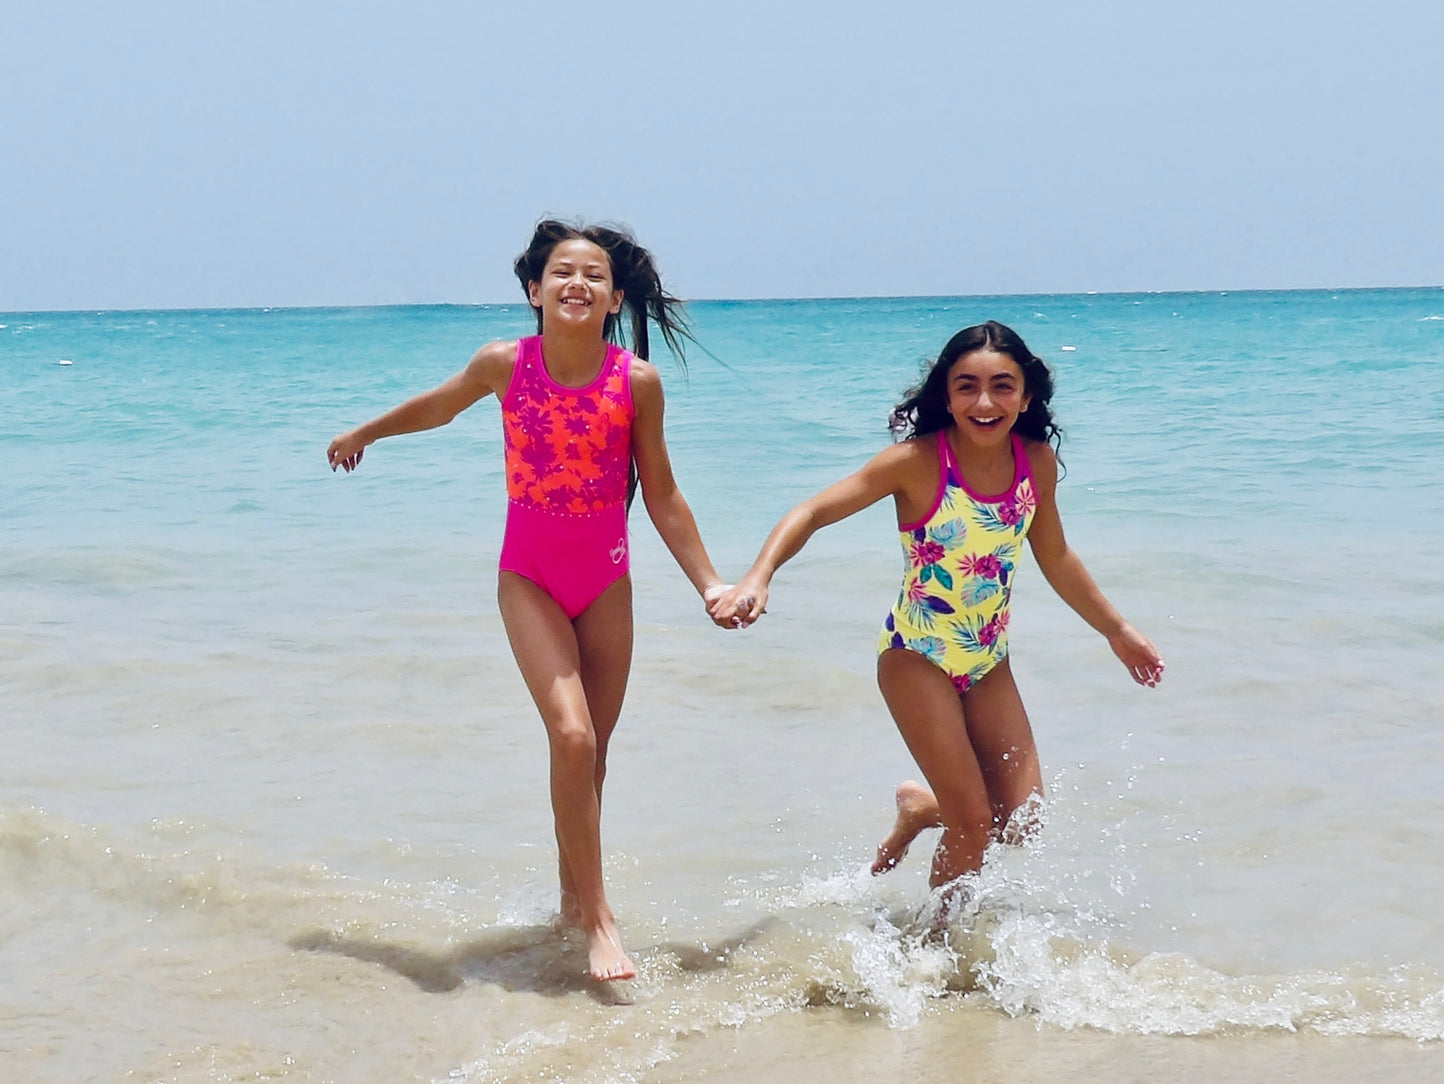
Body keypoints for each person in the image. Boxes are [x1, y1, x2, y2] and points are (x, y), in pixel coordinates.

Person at [327, 219, 734, 981]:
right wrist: (365, 432)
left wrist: (709, 582)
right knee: (572, 739)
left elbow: (665, 495)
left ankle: (569, 905)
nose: (575, 283)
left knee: (591, 760)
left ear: (615, 298)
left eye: (592, 275)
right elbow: (437, 406)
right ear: (533, 290)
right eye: (561, 273)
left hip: (606, 582)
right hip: (530, 578)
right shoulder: (505, 365)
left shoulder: (635, 382)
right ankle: (601, 919)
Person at [709, 321, 1164, 899]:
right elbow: (813, 512)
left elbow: (1053, 553)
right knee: (973, 823)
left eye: (1003, 386)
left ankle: (924, 810)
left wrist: (1116, 630)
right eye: (966, 385)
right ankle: (934, 957)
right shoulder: (917, 462)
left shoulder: (1035, 462)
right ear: (945, 396)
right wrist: (758, 575)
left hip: (987, 659)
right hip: (915, 656)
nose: (984, 401)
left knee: (1024, 823)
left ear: (1026, 397)